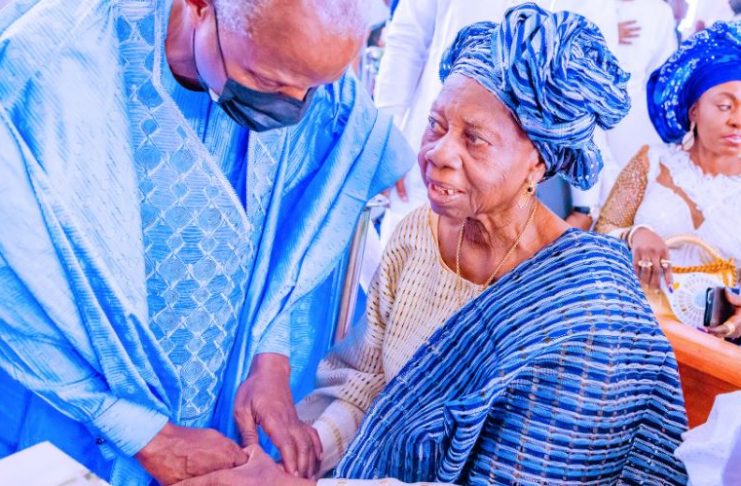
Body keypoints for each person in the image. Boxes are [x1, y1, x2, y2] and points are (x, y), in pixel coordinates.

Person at [180, 5, 689, 485]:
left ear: (538, 161)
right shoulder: (416, 236)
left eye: (474, 139)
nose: (436, 154)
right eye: (436, 125)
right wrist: (304, 452)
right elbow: (366, 388)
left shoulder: (589, 317)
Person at [0, 0, 413, 484]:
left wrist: (270, 357)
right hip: (65, 408)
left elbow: (301, 210)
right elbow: (13, 283)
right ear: (199, 6)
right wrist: (145, 435)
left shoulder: (296, 55)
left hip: (213, 404)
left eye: (314, 87)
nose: (294, 106)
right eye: (268, 80)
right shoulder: (48, 68)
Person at [373, 0, 621, 245]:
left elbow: (589, 92)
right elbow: (408, 39)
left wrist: (584, 205)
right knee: (406, 255)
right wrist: (388, 138)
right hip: (431, 150)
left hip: (523, 181)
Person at [595, 20, 741, 340]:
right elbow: (601, 233)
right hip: (629, 328)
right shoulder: (651, 162)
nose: (737, 120)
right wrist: (635, 234)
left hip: (713, 349)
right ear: (694, 110)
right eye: (724, 106)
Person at [607, 0, 677, 177]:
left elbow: (663, 72)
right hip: (578, 109)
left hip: (632, 114)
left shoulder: (659, 12)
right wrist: (607, 33)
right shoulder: (586, 4)